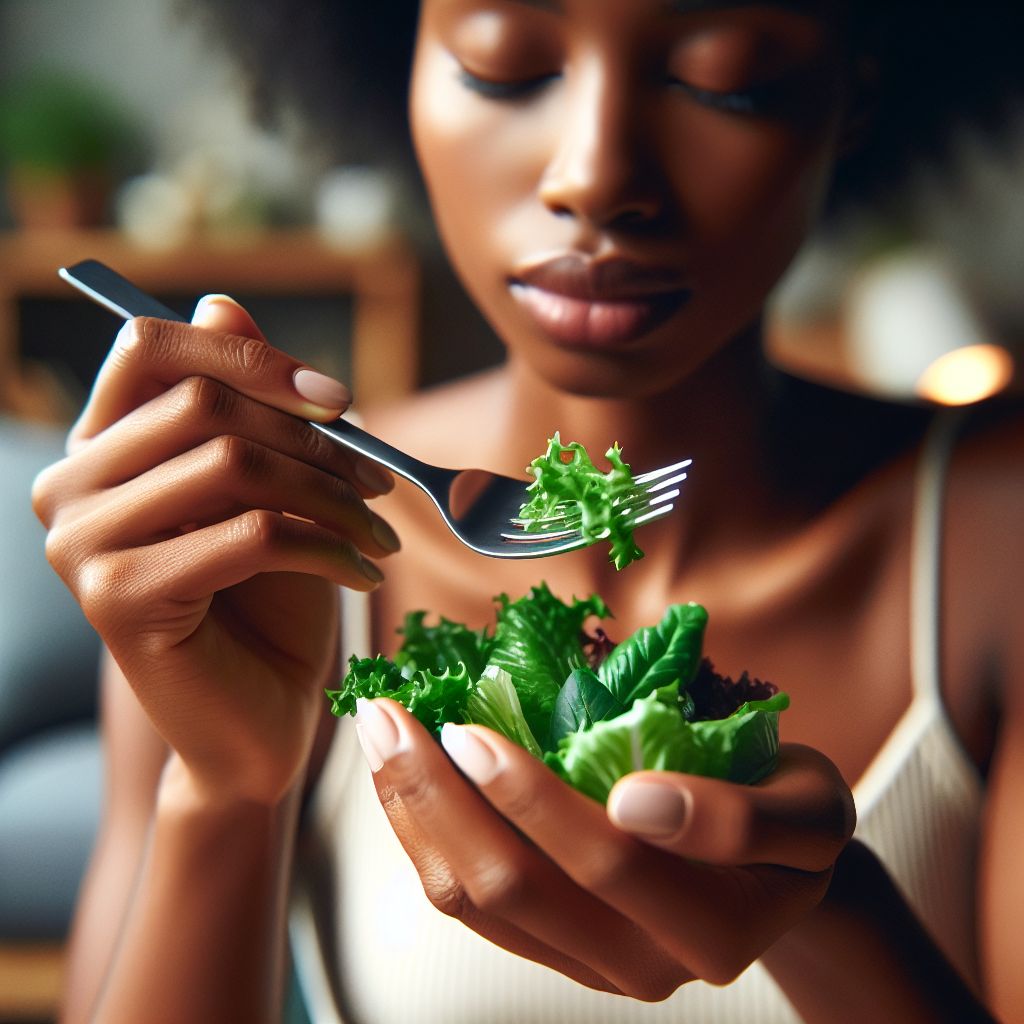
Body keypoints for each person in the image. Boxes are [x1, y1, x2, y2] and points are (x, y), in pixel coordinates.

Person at [33, 2, 1023, 1022]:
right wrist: (229, 788)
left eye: (723, 78)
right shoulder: (262, 535)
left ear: (854, 95)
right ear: (402, 67)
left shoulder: (996, 531)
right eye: (500, 70)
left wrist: (833, 912)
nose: (592, 176)